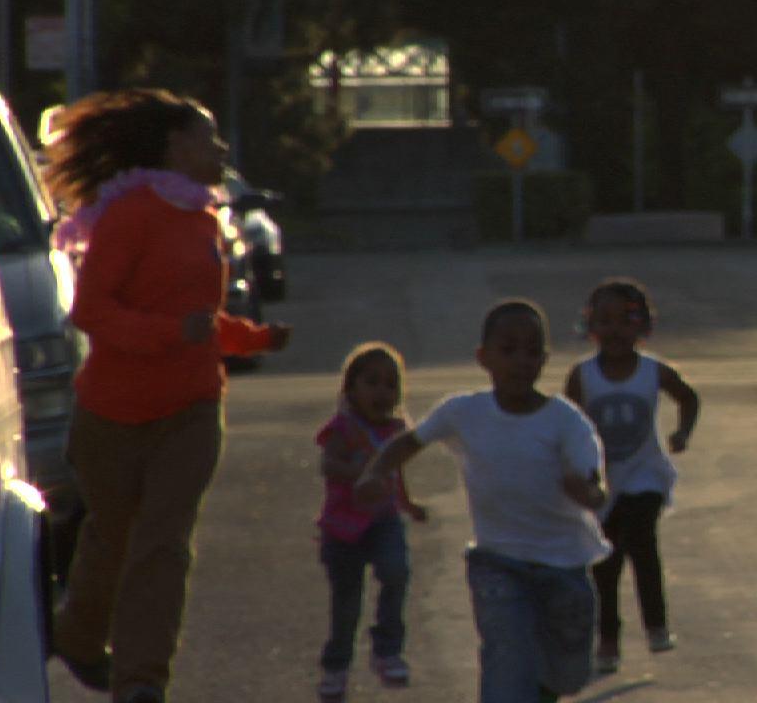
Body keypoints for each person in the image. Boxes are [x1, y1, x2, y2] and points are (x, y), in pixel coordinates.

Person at [43, 88, 292, 703]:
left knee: (162, 546)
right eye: (209, 137)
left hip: (192, 409)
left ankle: (141, 681)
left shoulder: (205, 218)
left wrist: (253, 338)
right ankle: (77, 638)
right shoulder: (131, 215)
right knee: (113, 540)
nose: (222, 149)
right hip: (113, 413)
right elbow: (91, 311)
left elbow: (200, 321)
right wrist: (168, 333)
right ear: (174, 145)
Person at [354, 299, 611, 703]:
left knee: (567, 672)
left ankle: (543, 688)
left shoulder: (565, 421)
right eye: (508, 350)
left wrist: (589, 493)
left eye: (532, 352)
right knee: (506, 656)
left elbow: (594, 483)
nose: (521, 361)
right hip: (497, 563)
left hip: (563, 564)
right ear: (484, 357)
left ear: (544, 360)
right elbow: (409, 441)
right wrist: (375, 472)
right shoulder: (464, 412)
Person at [563, 277, 699, 673]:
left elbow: (688, 397)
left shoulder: (653, 371)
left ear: (643, 326)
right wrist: (573, 473)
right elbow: (566, 425)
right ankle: (608, 640)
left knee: (641, 539)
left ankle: (656, 625)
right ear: (590, 325)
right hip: (602, 484)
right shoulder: (582, 376)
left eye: (626, 320)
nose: (615, 330)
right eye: (605, 320)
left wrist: (682, 432)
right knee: (605, 563)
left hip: (646, 476)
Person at [314, 342, 427, 702]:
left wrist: (408, 504)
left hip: (384, 521)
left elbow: (397, 474)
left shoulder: (396, 431)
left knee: (397, 571)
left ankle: (387, 650)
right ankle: (336, 667)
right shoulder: (343, 428)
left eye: (391, 384)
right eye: (372, 382)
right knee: (346, 604)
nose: (382, 391)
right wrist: (363, 472)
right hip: (343, 529)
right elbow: (328, 465)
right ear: (351, 388)